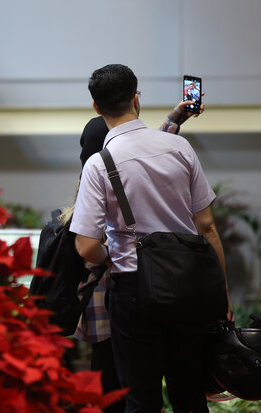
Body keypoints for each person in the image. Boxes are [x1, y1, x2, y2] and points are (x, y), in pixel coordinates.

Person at [69, 64, 233, 413]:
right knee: (190, 396)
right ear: (136, 99)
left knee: (141, 400)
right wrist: (222, 293)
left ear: (96, 108)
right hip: (189, 286)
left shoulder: (98, 166)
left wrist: (115, 256)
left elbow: (85, 246)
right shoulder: (180, 148)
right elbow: (207, 227)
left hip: (134, 292)